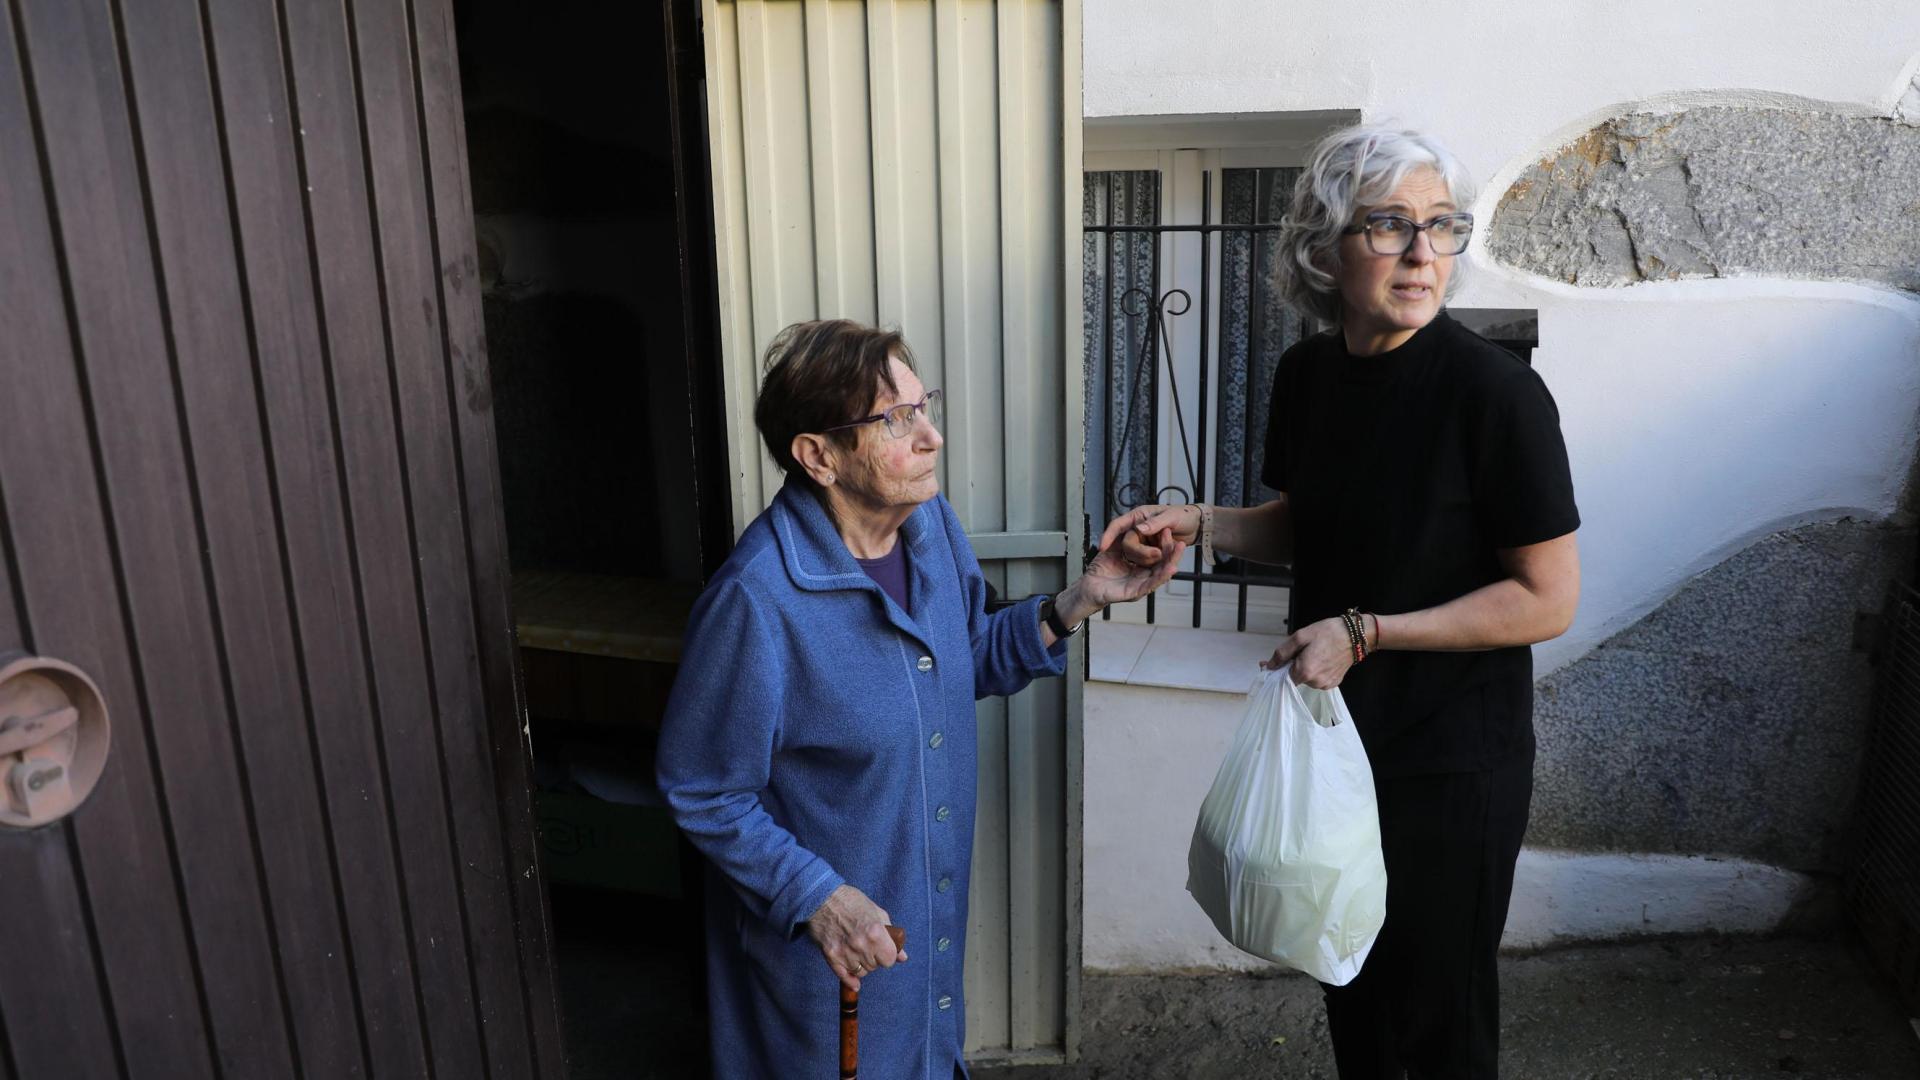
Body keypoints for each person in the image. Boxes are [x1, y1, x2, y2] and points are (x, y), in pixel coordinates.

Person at [1105, 124, 1581, 1079]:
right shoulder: (1307, 376)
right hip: (1338, 745)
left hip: (1454, 761)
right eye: (1391, 225)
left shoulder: (1496, 397)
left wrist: (1368, 631)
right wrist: (1197, 524)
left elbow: (1546, 599)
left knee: (1438, 1023)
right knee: (1351, 992)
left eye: (1442, 226)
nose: (1423, 253)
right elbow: (1308, 526)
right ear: (1324, 246)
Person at [657, 319, 1182, 1079]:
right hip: (821, 976)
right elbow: (703, 789)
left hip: (922, 948)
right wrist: (821, 899)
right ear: (819, 456)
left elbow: (960, 661)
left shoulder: (927, 527)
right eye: (897, 419)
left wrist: (1079, 599)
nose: (931, 436)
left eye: (924, 405)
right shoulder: (757, 603)